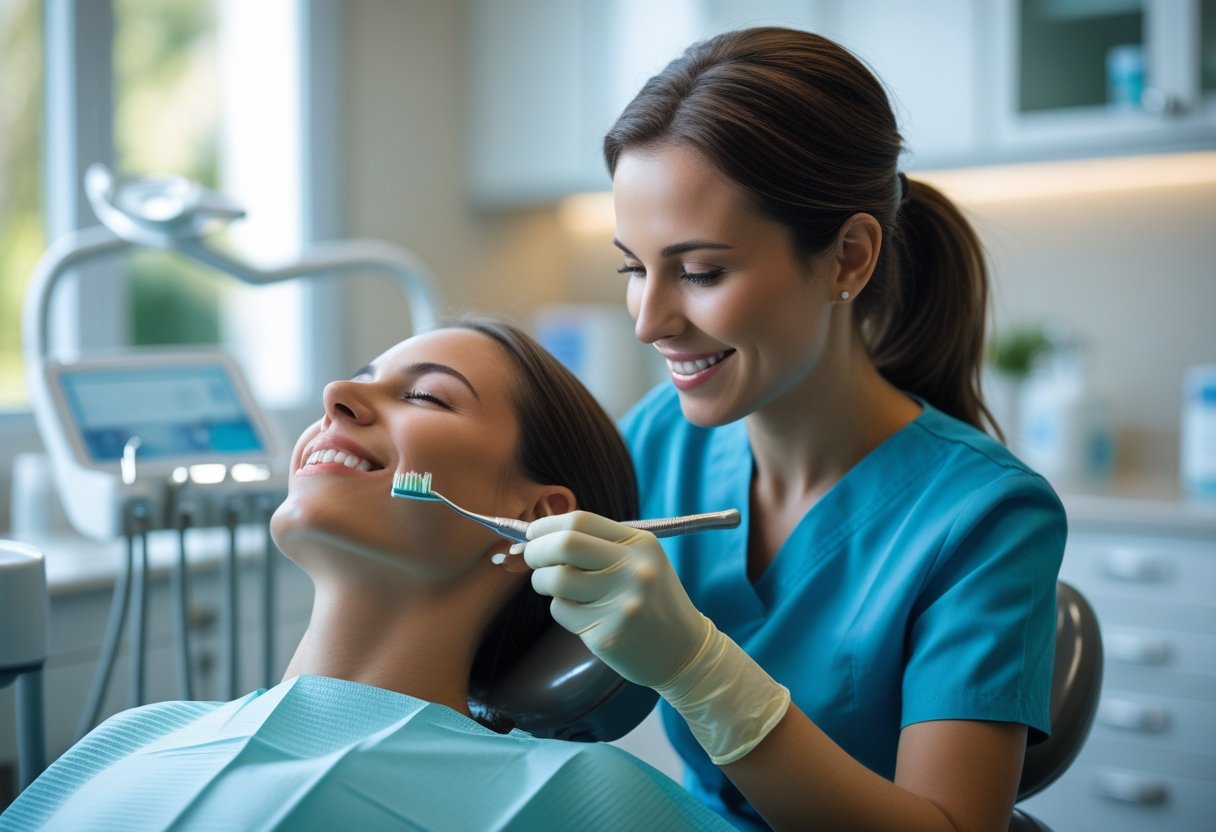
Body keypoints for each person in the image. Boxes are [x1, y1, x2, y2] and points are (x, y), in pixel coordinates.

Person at [515, 27, 1067, 832]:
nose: (649, 321)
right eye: (633, 268)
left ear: (847, 257)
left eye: (701, 272)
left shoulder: (986, 518)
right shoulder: (660, 439)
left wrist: (703, 672)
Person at [0, 318, 732, 832]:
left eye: (424, 396)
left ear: (538, 516)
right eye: (358, 379)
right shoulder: (132, 737)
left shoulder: (587, 799)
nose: (334, 398)